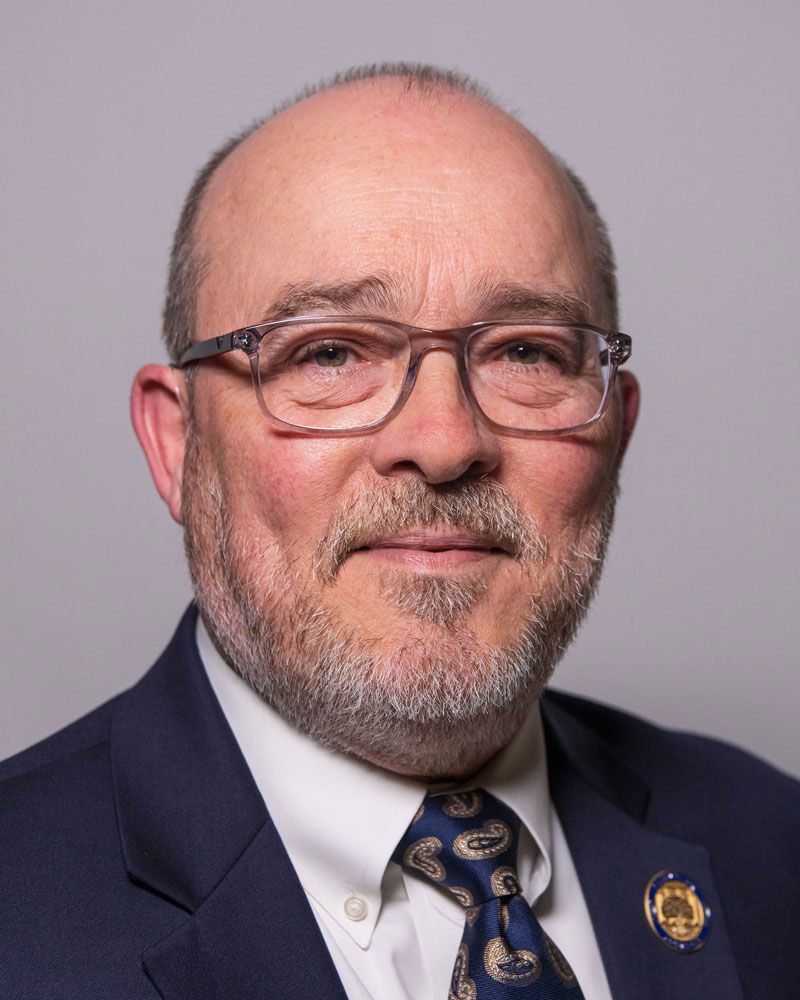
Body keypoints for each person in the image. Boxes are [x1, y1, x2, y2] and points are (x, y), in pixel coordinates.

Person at [1, 63, 797, 1000]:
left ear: (616, 428)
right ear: (177, 443)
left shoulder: (774, 847)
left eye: (527, 353)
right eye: (329, 352)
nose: (445, 440)